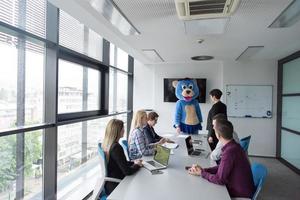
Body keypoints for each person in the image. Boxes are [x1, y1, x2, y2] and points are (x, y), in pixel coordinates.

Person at [188, 119, 255, 199]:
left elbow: (220, 179)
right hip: (244, 189)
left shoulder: (229, 152)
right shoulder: (235, 146)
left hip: (241, 194)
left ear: (218, 135)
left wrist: (202, 173)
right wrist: (203, 170)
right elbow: (222, 167)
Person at [102, 119, 142, 195]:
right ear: (117, 131)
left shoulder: (107, 144)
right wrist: (137, 165)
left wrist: (134, 162)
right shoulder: (116, 147)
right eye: (122, 128)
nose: (124, 130)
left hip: (110, 183)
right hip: (117, 185)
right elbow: (127, 171)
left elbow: (121, 162)